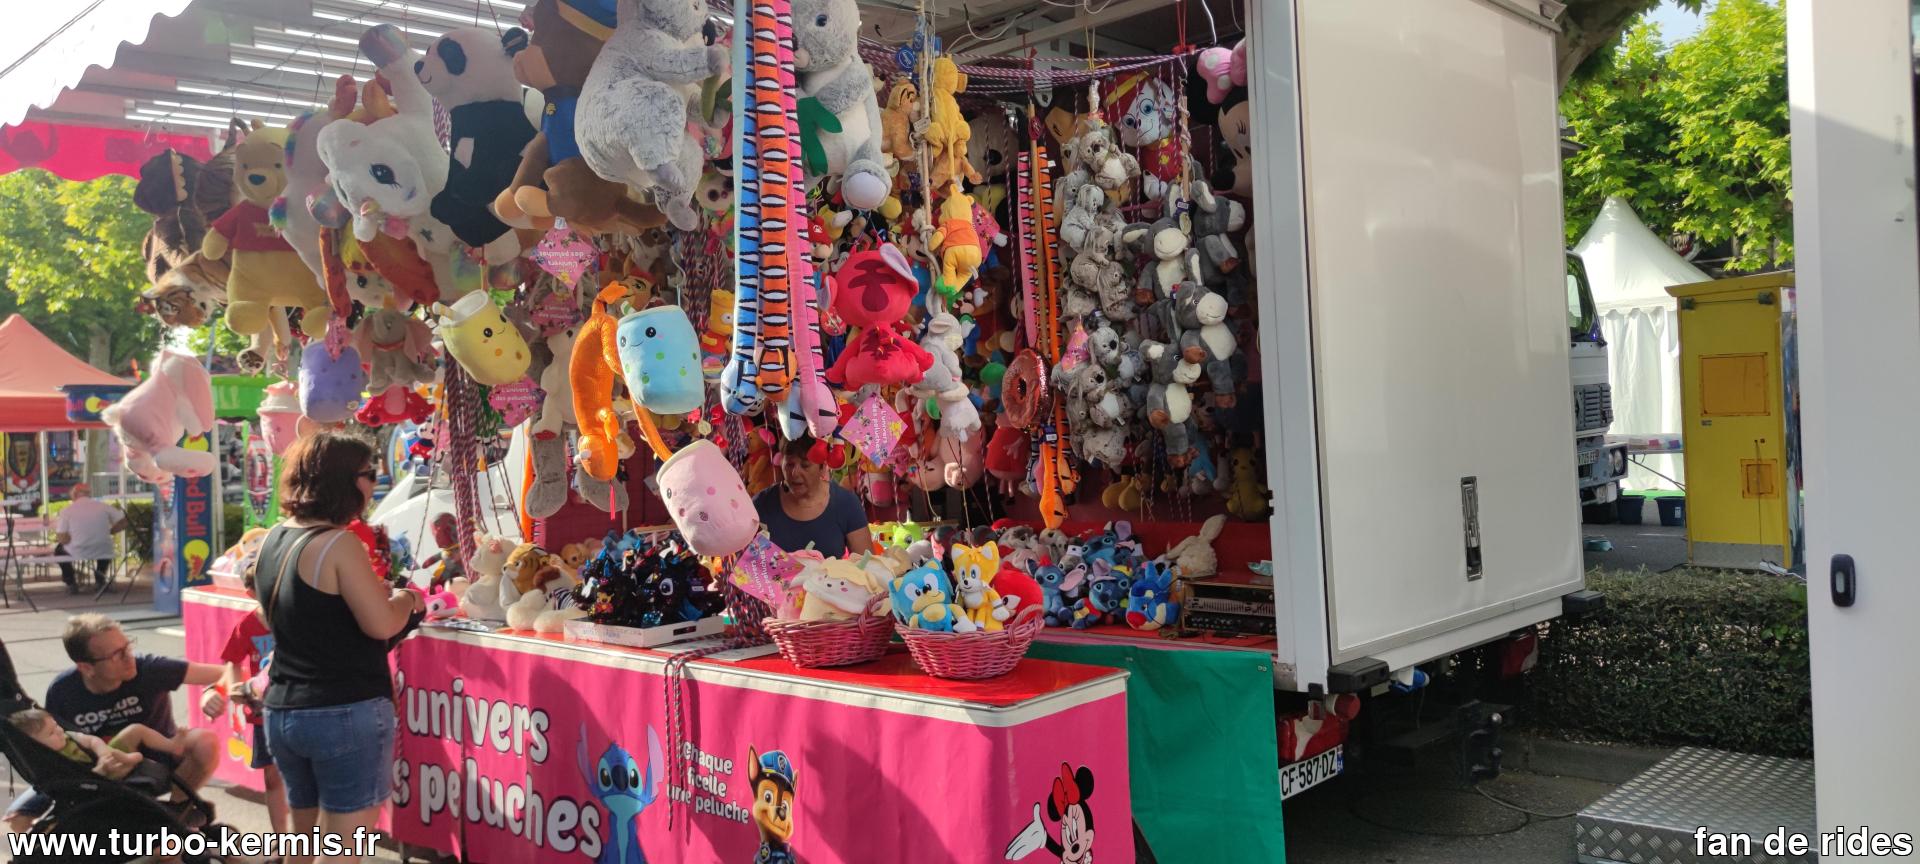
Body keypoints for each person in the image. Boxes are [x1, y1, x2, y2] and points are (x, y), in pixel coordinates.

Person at [253, 429, 422, 863]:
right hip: (342, 710)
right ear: (345, 481)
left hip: (283, 710)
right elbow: (381, 624)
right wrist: (408, 599)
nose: (373, 486)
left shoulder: (273, 538)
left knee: (303, 843)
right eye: (370, 475)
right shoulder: (338, 543)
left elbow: (275, 614)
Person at [4, 614, 226, 832]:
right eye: (117, 655)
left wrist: (211, 691)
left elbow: (225, 674)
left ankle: (176, 813)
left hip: (155, 764)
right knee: (18, 817)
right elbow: (52, 748)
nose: (129, 657)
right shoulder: (62, 691)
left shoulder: (149, 668)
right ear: (86, 667)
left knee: (204, 742)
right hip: (93, 772)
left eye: (127, 647)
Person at [219, 575, 289, 832]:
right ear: (251, 593)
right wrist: (236, 688)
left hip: (297, 707)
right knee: (272, 777)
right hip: (264, 713)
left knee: (306, 778)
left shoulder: (294, 618)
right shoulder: (246, 625)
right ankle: (282, 838)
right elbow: (232, 661)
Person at [753, 435, 873, 559]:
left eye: (805, 465)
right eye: (789, 464)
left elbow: (866, 563)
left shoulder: (846, 503)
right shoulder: (762, 504)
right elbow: (749, 564)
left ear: (823, 467)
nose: (795, 473)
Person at [8, 707, 189, 782]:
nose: (59, 731)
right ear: (35, 745)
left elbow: (92, 740)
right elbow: (76, 784)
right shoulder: (51, 763)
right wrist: (100, 771)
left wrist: (103, 753)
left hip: (106, 756)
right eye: (51, 733)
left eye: (56, 726)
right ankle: (132, 759)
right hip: (98, 777)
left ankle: (171, 745)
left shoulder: (68, 736)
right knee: (119, 766)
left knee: (136, 730)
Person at [51, 483, 126, 594]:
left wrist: (71, 539)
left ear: (74, 495)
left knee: (59, 551)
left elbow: (62, 538)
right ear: (89, 494)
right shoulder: (104, 506)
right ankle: (100, 581)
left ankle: (70, 582)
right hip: (103, 549)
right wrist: (110, 531)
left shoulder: (67, 510)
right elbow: (124, 522)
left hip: (78, 549)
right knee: (104, 546)